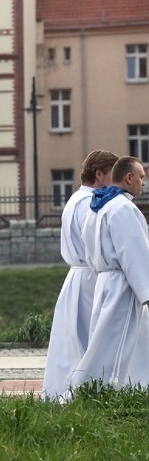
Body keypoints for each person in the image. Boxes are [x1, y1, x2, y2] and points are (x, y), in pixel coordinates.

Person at [68, 156, 149, 393]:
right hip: (122, 282)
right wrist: (146, 291)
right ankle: (101, 386)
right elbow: (134, 253)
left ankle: (109, 385)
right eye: (141, 177)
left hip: (103, 279)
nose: (143, 183)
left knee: (103, 337)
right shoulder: (123, 208)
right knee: (117, 339)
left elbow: (90, 247)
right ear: (129, 178)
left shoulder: (99, 205)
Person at [42, 150, 117, 400]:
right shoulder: (91, 204)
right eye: (112, 175)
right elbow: (98, 242)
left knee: (72, 341)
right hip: (91, 276)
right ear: (99, 174)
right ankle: (82, 393)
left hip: (77, 276)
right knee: (89, 340)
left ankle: (63, 391)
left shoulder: (75, 199)